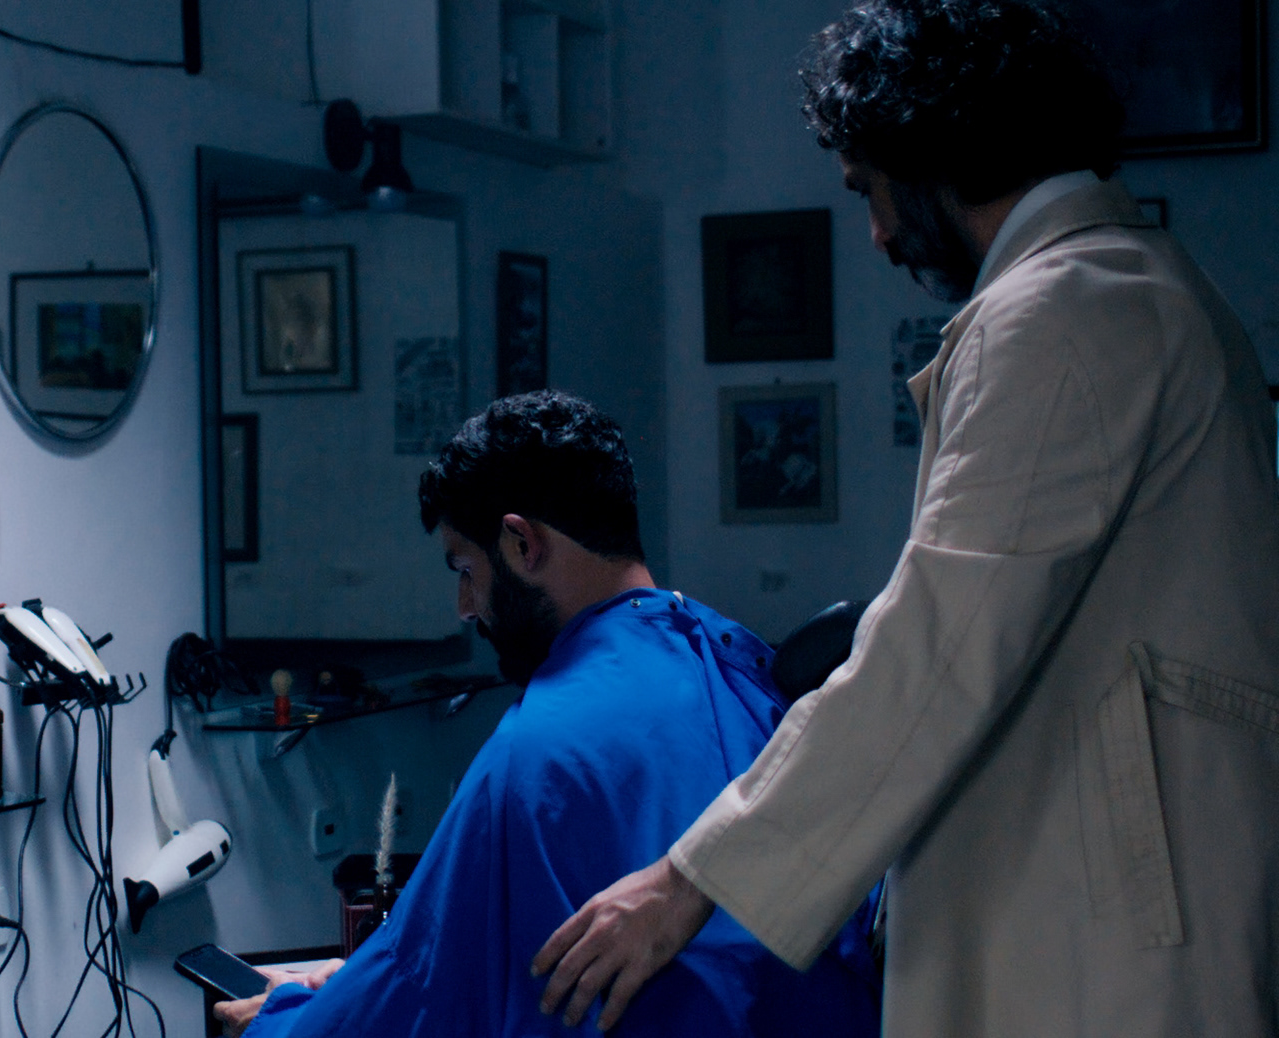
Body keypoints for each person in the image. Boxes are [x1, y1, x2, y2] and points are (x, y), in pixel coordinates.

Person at [533, 3, 1279, 1035]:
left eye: (868, 189)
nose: (880, 235)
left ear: (933, 150)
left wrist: (686, 879)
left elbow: (938, 646)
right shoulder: (1134, 286)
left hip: (1109, 933)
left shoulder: (1063, 310)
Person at [215, 392, 879, 1038]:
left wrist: (281, 1018)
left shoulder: (532, 754)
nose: (465, 606)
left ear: (520, 544)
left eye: (465, 567)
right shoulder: (744, 670)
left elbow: (418, 995)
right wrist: (360, 983)